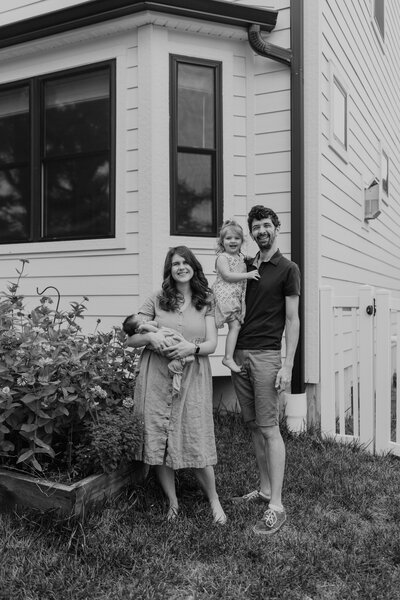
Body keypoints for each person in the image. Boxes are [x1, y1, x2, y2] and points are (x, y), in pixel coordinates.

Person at [126, 246, 227, 525]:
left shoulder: (206, 299)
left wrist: (189, 348)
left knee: (196, 435)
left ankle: (214, 500)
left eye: (185, 262)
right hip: (157, 375)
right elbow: (130, 338)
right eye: (175, 263)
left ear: (194, 266)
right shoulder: (157, 299)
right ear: (169, 269)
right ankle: (172, 501)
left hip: (192, 375)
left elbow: (211, 344)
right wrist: (150, 339)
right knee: (159, 438)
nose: (181, 267)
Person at [230, 205, 300, 536]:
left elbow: (292, 319)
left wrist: (287, 364)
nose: (261, 230)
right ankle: (264, 489)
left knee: (270, 428)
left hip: (268, 356)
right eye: (256, 226)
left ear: (276, 228)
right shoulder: (245, 266)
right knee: (254, 427)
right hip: (240, 354)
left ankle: (277, 506)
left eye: (266, 225)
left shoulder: (288, 269)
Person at [212, 219, 260, 373]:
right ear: (222, 242)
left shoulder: (240, 257)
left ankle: (228, 356)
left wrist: (247, 260)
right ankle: (227, 357)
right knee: (235, 326)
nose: (232, 241)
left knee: (235, 326)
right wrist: (248, 274)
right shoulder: (222, 258)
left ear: (242, 241)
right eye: (228, 238)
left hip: (234, 296)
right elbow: (227, 275)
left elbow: (242, 262)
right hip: (225, 296)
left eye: (236, 238)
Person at [122, 314, 194, 392]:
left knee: (174, 348)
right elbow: (155, 330)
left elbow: (155, 324)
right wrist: (146, 326)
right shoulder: (143, 330)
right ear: (137, 330)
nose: (144, 320)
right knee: (172, 347)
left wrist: (147, 323)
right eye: (141, 321)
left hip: (158, 344)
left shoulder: (142, 329)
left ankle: (182, 359)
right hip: (161, 343)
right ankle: (182, 360)